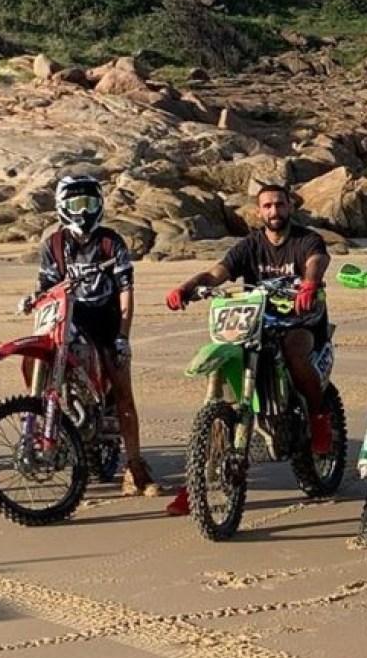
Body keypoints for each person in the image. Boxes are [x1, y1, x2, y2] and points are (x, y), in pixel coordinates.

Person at [164, 183, 332, 516]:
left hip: (301, 320)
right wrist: (187, 287)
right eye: (267, 206)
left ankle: (318, 417)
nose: (274, 211)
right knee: (222, 391)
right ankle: (197, 483)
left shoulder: (305, 239)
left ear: (290, 207)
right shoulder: (250, 245)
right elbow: (217, 274)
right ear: (259, 211)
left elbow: (317, 260)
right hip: (255, 321)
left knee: (295, 353)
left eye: (280, 205)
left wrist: (310, 283)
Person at [34, 175, 158, 497]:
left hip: (105, 320)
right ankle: (41, 423)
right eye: (76, 204)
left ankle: (135, 468)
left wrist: (123, 335)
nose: (84, 210)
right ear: (62, 206)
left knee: (124, 395)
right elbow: (46, 289)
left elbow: (126, 291)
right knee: (43, 355)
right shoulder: (54, 245)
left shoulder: (110, 242)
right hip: (68, 317)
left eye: (89, 203)